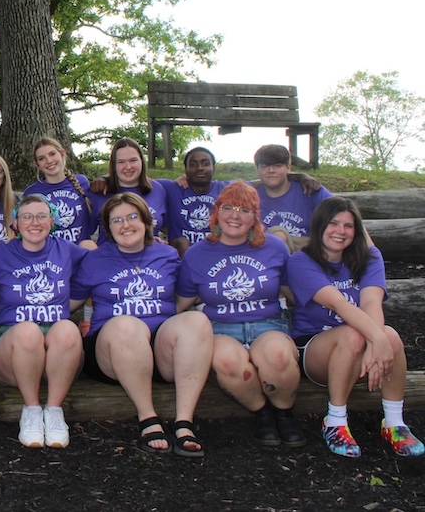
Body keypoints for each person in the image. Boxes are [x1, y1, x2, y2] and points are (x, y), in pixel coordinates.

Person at [75, 193, 212, 457]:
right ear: (108, 228)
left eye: (132, 217)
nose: (125, 225)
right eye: (117, 220)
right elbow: (67, 302)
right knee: (128, 325)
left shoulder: (167, 254)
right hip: (110, 352)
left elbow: (184, 298)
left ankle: (184, 422)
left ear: (147, 220)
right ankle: (148, 417)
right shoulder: (94, 260)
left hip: (159, 349)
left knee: (196, 320)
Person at [288, 197, 424, 458]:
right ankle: (335, 421)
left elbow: (371, 302)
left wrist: (379, 340)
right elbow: (340, 305)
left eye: (348, 226)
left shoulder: (370, 257)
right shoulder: (301, 261)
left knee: (390, 336)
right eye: (333, 223)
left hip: (360, 346)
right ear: (319, 226)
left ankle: (394, 424)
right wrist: (376, 339)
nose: (340, 231)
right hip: (315, 347)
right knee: (359, 335)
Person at [175, 181, 305, 447]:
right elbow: (182, 301)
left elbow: (294, 293)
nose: (235, 215)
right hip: (221, 327)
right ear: (217, 212)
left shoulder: (274, 248)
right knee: (226, 361)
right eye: (229, 207)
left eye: (244, 210)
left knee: (279, 356)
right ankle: (262, 413)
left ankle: (284, 414)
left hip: (268, 324)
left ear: (255, 217)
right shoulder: (197, 254)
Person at [0, 194, 87, 448]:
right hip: (13, 348)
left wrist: (148, 244)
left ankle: (54, 411)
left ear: (52, 220)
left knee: (67, 327)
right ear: (15, 223)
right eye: (26, 216)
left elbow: (102, 263)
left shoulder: (65, 249)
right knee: (28, 332)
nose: (34, 222)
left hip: (59, 355)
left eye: (41, 216)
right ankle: (32, 411)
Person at [166, 147, 322, 257]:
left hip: (217, 249)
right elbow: (144, 183)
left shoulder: (226, 188)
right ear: (185, 169)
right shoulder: (172, 188)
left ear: (214, 167)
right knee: (181, 243)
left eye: (205, 164)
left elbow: (262, 180)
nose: (199, 168)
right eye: (193, 164)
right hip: (186, 252)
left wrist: (300, 176)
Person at [254, 144, 332, 252]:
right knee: (277, 235)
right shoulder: (250, 195)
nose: (271, 170)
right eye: (264, 166)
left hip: (310, 252)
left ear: (288, 168)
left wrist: (301, 176)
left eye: (277, 165)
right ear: (257, 170)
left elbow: (341, 212)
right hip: (270, 256)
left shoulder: (309, 189)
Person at [24, 136, 96, 248]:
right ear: (37, 164)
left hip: (80, 252)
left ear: (63, 154)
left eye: (52, 154)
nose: (49, 161)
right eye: (41, 158)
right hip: (51, 257)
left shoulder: (81, 182)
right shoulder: (32, 192)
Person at [90, 137, 168, 241]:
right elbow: (84, 232)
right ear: (114, 165)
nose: (128, 167)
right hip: (110, 256)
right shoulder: (100, 192)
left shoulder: (158, 190)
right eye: (121, 162)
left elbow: (168, 228)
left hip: (150, 255)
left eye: (133, 160)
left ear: (142, 161)